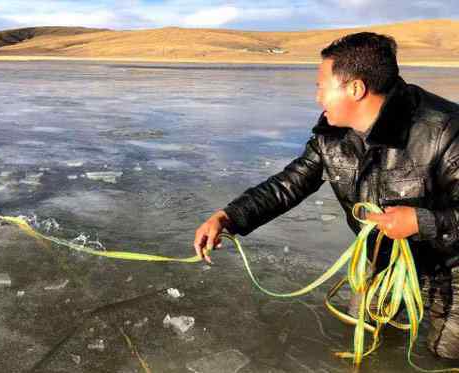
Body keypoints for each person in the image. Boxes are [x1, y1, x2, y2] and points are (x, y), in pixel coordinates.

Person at [193, 32, 459, 359]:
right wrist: (229, 217)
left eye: (321, 85)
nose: (317, 97)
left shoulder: (446, 131)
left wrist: (422, 221)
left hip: (452, 268)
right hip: (382, 260)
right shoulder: (331, 133)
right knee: (368, 334)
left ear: (355, 88)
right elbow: (289, 184)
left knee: (444, 354)